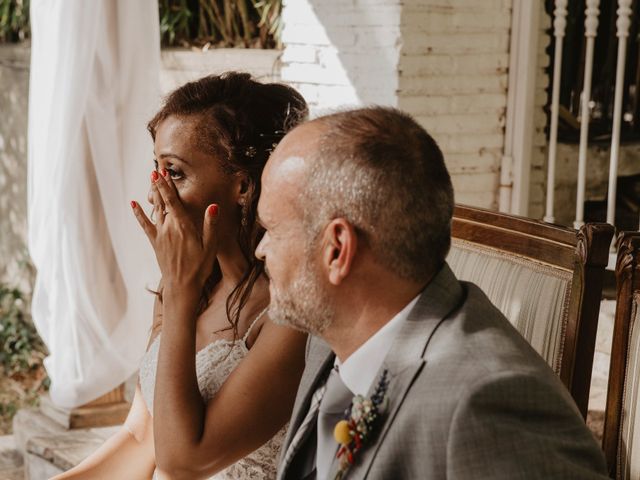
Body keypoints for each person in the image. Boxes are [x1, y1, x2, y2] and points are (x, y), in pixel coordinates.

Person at [254, 106, 610, 480]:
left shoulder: (484, 405)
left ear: (337, 249)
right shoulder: (326, 342)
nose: (261, 248)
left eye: (273, 230)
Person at [52, 72, 308, 480]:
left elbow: (182, 461)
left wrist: (181, 296)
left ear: (242, 185)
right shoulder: (188, 285)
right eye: (156, 170)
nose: (157, 194)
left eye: (174, 172)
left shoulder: (289, 316)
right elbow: (141, 438)